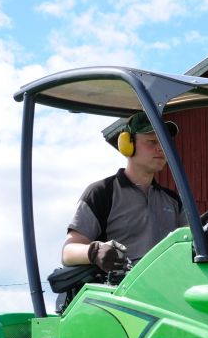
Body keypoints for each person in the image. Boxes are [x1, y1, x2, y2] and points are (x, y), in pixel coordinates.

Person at [62, 113, 188, 273]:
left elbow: (192, 242)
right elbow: (68, 252)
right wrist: (95, 251)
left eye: (163, 142)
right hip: (121, 286)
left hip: (168, 283)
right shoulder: (101, 193)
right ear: (127, 144)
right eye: (152, 141)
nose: (161, 148)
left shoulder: (173, 200)